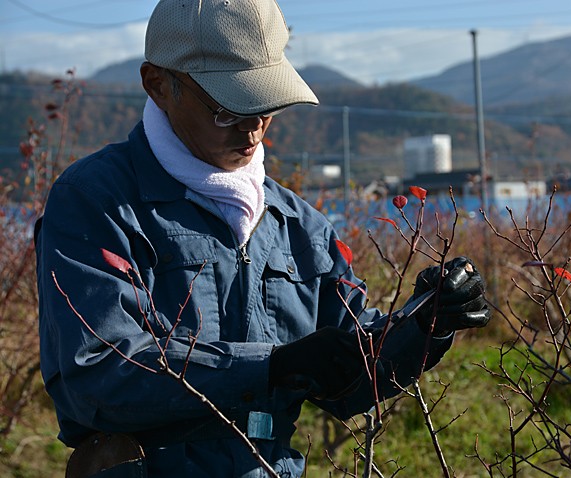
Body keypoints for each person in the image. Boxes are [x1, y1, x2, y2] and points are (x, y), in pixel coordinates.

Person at [34, 0, 491, 476]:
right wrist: (267, 367)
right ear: (158, 85)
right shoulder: (97, 201)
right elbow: (95, 375)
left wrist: (425, 323)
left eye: (266, 106)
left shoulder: (298, 224)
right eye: (227, 110)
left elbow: (353, 376)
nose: (252, 129)